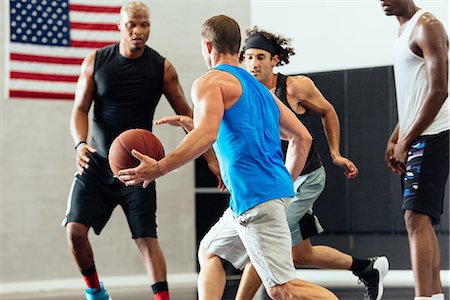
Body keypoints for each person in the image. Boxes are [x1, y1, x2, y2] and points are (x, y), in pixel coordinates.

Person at [118, 14, 337, 300]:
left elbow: (208, 134)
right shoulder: (260, 88)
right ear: (237, 48)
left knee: (282, 289)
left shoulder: (209, 82)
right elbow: (301, 137)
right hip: (259, 197)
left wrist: (159, 168)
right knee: (210, 251)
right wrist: (282, 182)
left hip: (255, 197)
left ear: (208, 47)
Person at [62, 2, 218, 300]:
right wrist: (80, 143)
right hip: (96, 163)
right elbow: (80, 110)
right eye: (132, 24)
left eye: (144, 24)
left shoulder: (161, 68)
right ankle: (95, 291)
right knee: (74, 232)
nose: (138, 31)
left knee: (147, 238)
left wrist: (210, 158)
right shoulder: (95, 62)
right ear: (119, 26)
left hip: (140, 167)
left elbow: (187, 113)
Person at [235, 27, 390, 300]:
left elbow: (327, 111)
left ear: (275, 60)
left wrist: (336, 153)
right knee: (300, 253)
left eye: (260, 56)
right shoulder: (247, 92)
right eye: (248, 57)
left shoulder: (295, 86)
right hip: (276, 183)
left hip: (304, 179)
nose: (253, 63)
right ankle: (367, 268)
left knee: (261, 242)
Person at [381, 1, 449, 299]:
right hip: (417, 134)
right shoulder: (404, 31)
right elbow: (415, 95)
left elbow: (439, 90)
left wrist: (407, 140)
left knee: (415, 218)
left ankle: (423, 296)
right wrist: (396, 137)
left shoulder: (427, 26)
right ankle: (432, 296)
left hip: (433, 134)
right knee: (421, 219)